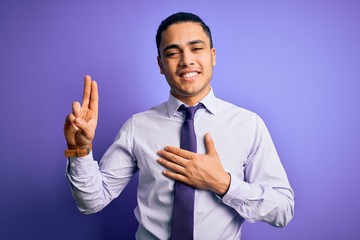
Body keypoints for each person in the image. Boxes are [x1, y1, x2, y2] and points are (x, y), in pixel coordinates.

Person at [64, 12, 294, 240]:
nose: (186, 60)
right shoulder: (137, 126)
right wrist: (79, 150)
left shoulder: (248, 124)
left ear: (212, 55)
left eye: (196, 49)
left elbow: (283, 211)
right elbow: (92, 201)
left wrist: (223, 183)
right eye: (173, 53)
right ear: (160, 64)